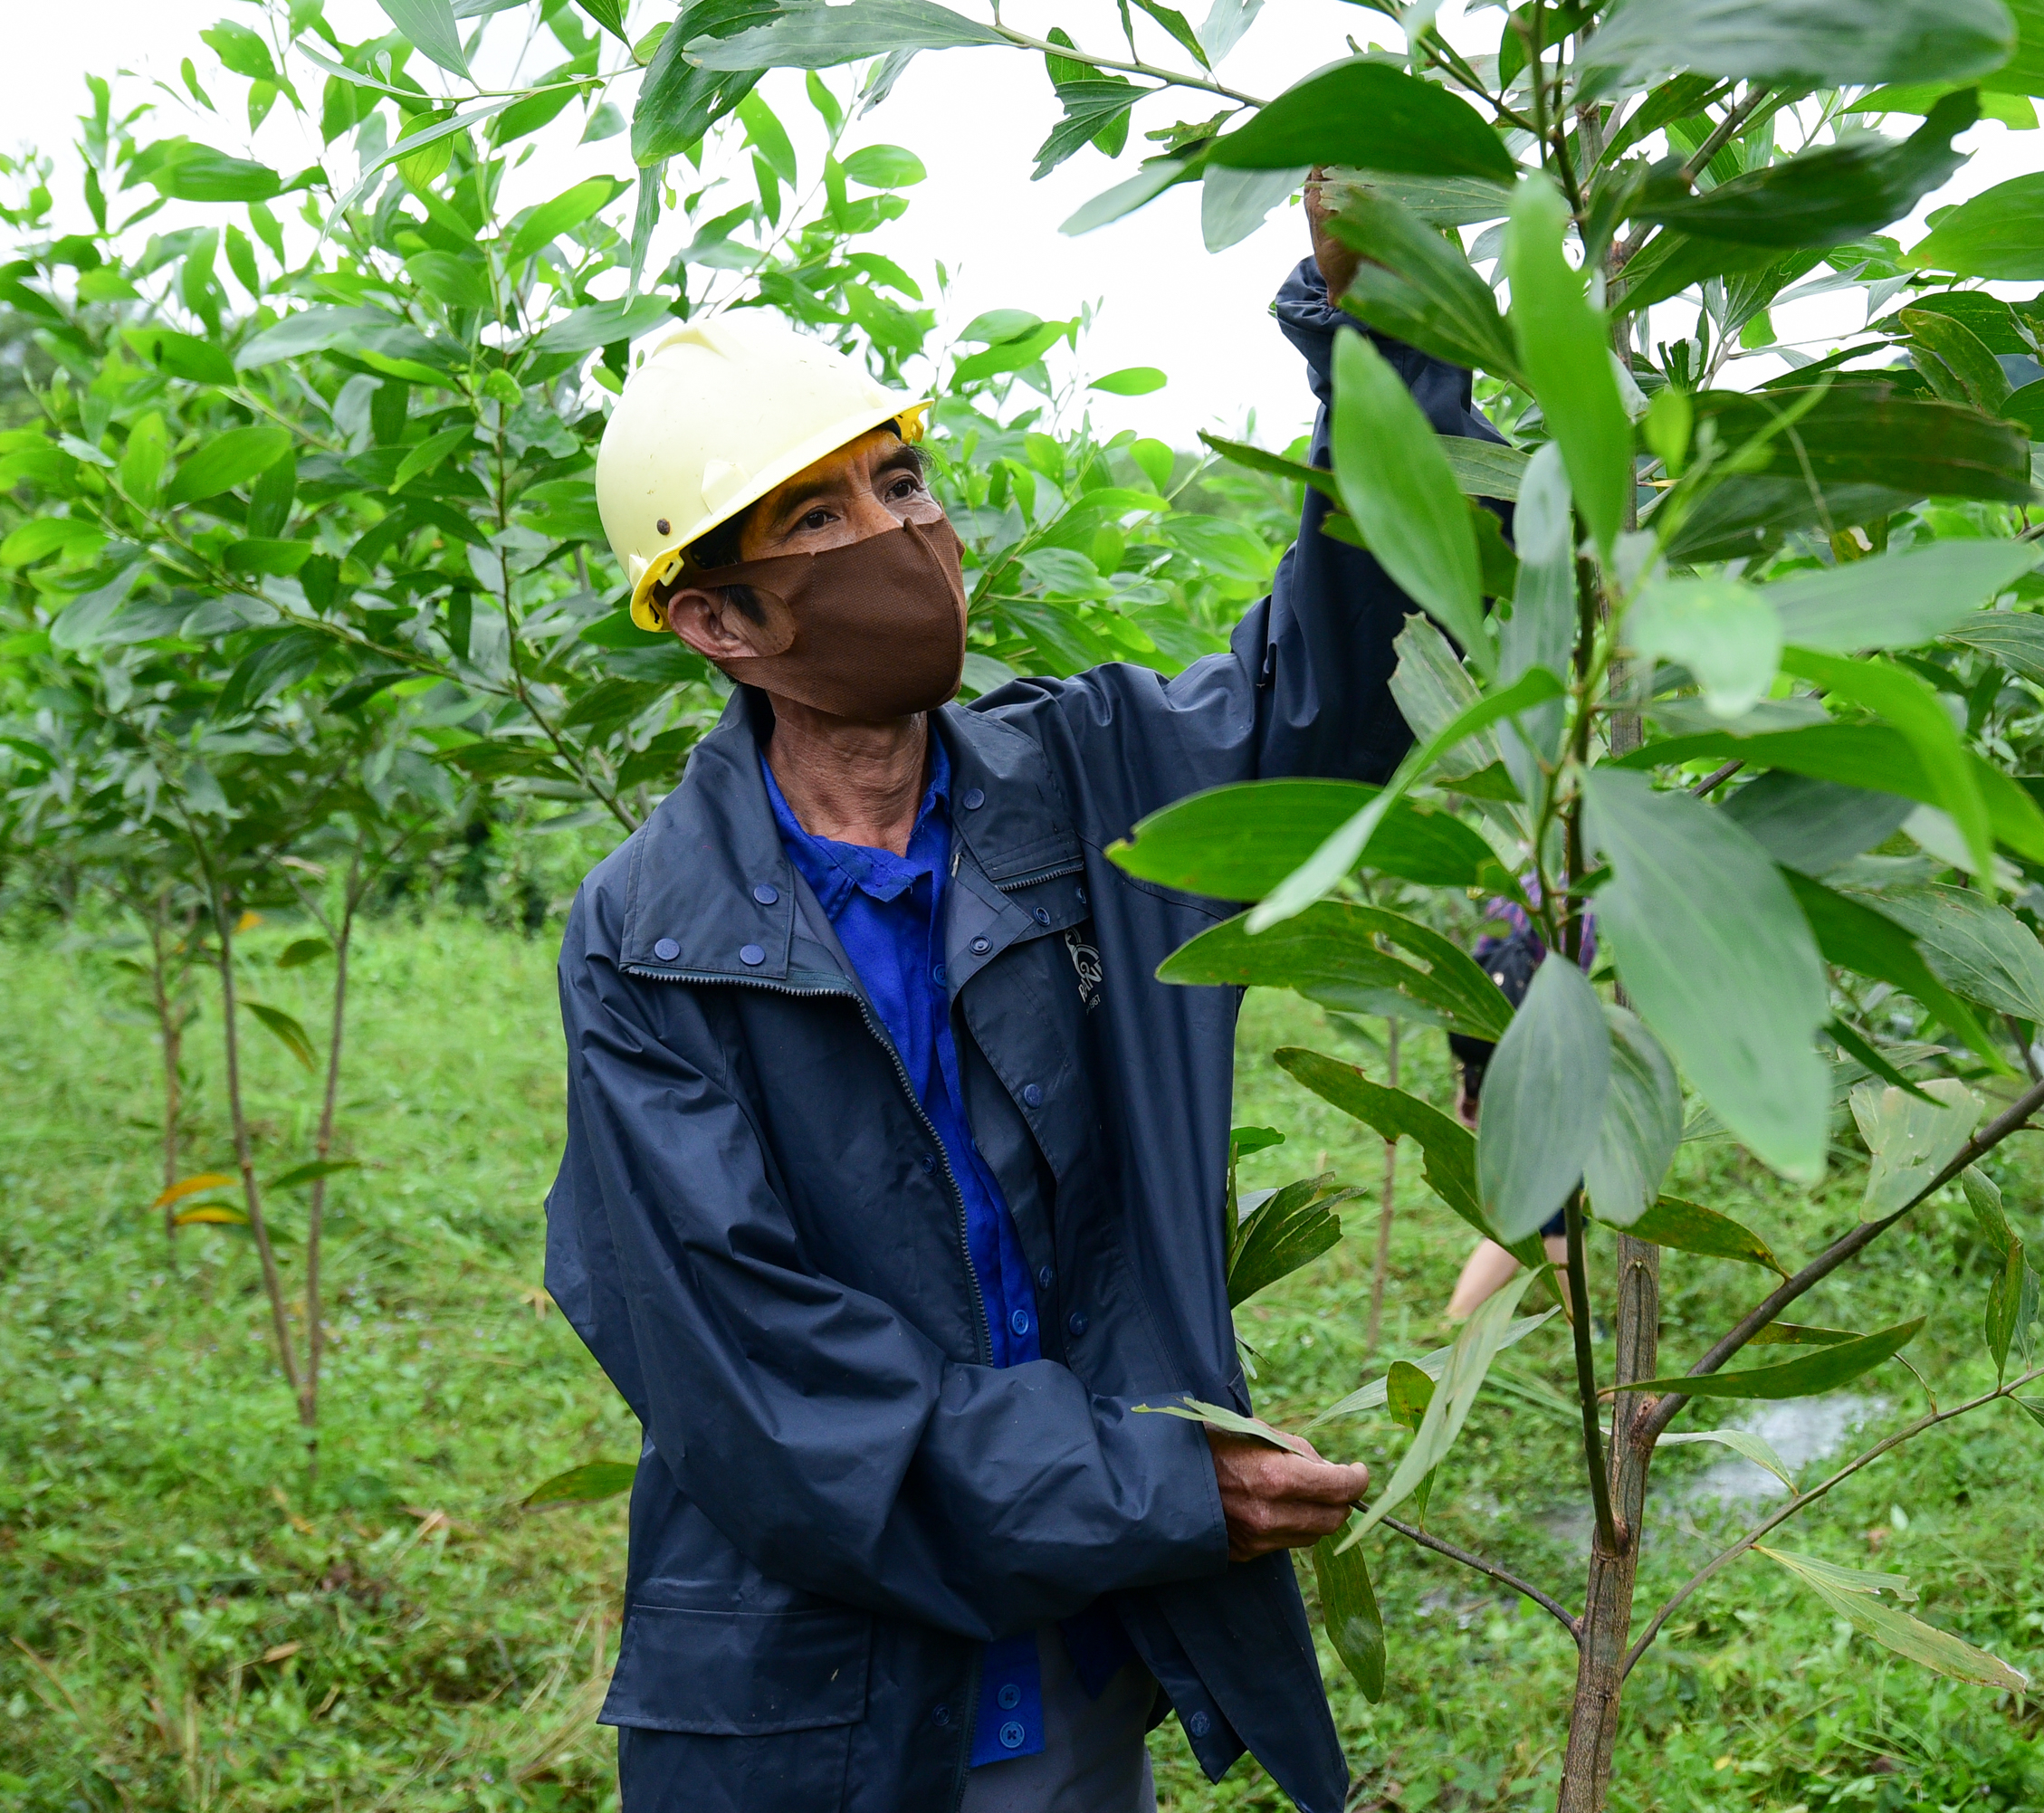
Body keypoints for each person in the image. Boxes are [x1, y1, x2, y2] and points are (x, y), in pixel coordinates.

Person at [541, 197, 1497, 1813]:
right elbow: (762, 1382)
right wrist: (1156, 1485)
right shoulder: (646, 937)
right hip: (797, 1697)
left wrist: (1385, 337)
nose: (899, 536)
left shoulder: (1092, 782)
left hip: (1062, 1659)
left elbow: (1344, 681)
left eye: (899, 481)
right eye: (819, 521)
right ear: (713, 621)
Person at [1440, 902, 1581, 1321]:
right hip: (1549, 1073)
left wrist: (1473, 1086)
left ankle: (1583, 1321)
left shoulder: (1506, 896)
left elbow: (1479, 998)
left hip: (1507, 1073)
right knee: (1540, 1207)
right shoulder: (1577, 905)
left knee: (1551, 1204)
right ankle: (1459, 1318)